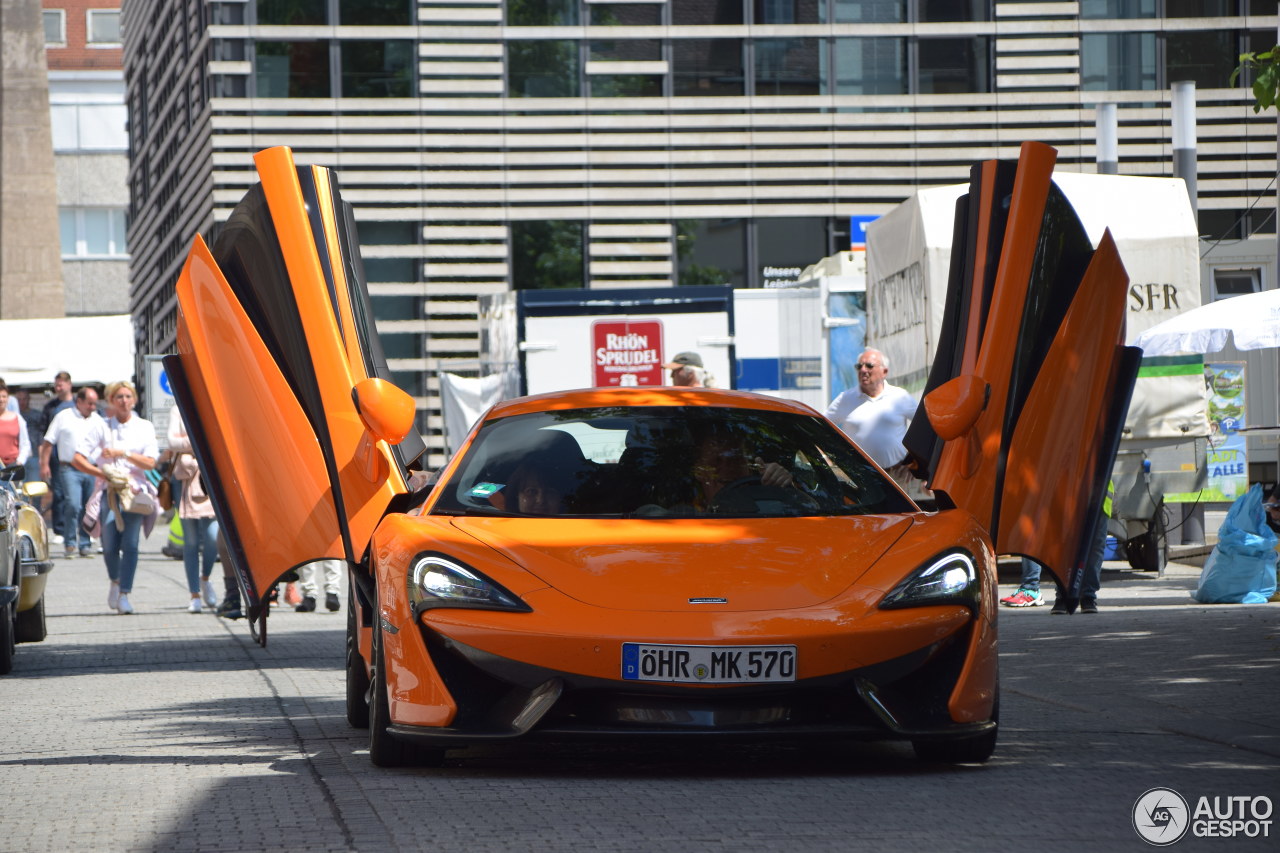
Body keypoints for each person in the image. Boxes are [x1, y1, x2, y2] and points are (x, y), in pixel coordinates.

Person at [72, 380, 159, 616]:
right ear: (111, 400)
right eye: (119, 397)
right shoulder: (102, 426)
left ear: (134, 399)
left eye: (128, 396)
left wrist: (124, 454)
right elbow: (77, 457)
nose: (124, 401)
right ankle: (115, 580)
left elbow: (151, 462)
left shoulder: (144, 426)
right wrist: (102, 473)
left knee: (131, 543)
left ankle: (124, 593)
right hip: (109, 491)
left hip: (134, 491)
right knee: (109, 542)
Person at [824, 348, 917, 472]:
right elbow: (820, 425)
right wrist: (825, 457)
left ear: (884, 371)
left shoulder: (900, 396)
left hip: (897, 476)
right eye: (859, 366)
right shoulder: (845, 399)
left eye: (869, 366)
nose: (863, 370)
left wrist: (919, 462)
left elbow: (925, 426)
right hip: (861, 477)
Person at [167, 404, 219, 613]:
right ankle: (194, 594)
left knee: (212, 537)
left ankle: (205, 578)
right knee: (190, 541)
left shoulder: (211, 406)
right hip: (185, 479)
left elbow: (216, 439)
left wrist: (185, 443)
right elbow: (171, 442)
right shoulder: (177, 409)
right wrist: (198, 442)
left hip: (209, 476)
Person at [41, 387, 103, 559]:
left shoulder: (98, 420)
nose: (93, 407)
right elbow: (48, 442)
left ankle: (84, 544)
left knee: (88, 506)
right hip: (69, 468)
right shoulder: (63, 417)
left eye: (94, 404)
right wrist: (44, 464)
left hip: (91, 468)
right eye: (89, 403)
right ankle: (70, 542)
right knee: (73, 504)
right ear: (79, 402)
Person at [0, 380, 32, 490]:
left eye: (4, 396)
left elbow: (25, 444)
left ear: (8, 399)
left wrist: (19, 462)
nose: (1, 400)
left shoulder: (17, 418)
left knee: (11, 501)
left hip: (12, 467)